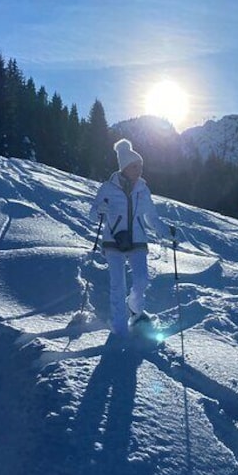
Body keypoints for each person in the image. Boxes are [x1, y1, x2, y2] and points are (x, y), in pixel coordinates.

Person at [90, 139, 172, 336]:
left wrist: (163, 230)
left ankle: (135, 308)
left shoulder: (143, 189)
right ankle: (120, 329)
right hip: (113, 240)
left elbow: (151, 216)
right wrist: (99, 210)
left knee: (142, 280)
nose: (139, 170)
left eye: (141, 166)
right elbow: (93, 214)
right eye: (135, 166)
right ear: (125, 167)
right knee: (117, 284)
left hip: (137, 240)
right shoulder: (107, 188)